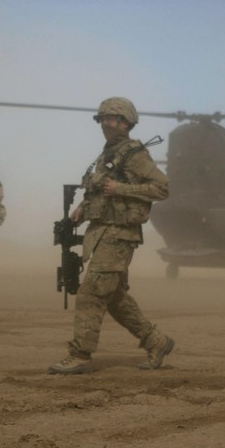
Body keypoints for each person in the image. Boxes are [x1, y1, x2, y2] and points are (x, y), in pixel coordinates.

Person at [49, 97, 176, 374]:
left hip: (120, 235)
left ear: (126, 123)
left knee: (91, 293)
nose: (107, 124)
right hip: (101, 232)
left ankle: (81, 354)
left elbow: (162, 188)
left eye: (113, 119)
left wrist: (122, 189)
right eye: (103, 119)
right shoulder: (108, 154)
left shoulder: (135, 154)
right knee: (113, 297)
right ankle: (157, 341)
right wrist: (83, 208)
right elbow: (99, 190)